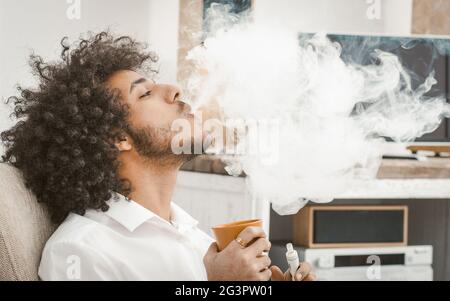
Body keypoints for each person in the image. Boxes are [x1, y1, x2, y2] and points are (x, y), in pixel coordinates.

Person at [1, 31, 315, 281]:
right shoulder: (82, 251)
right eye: (146, 93)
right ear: (118, 137)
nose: (175, 90)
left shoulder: (191, 235)